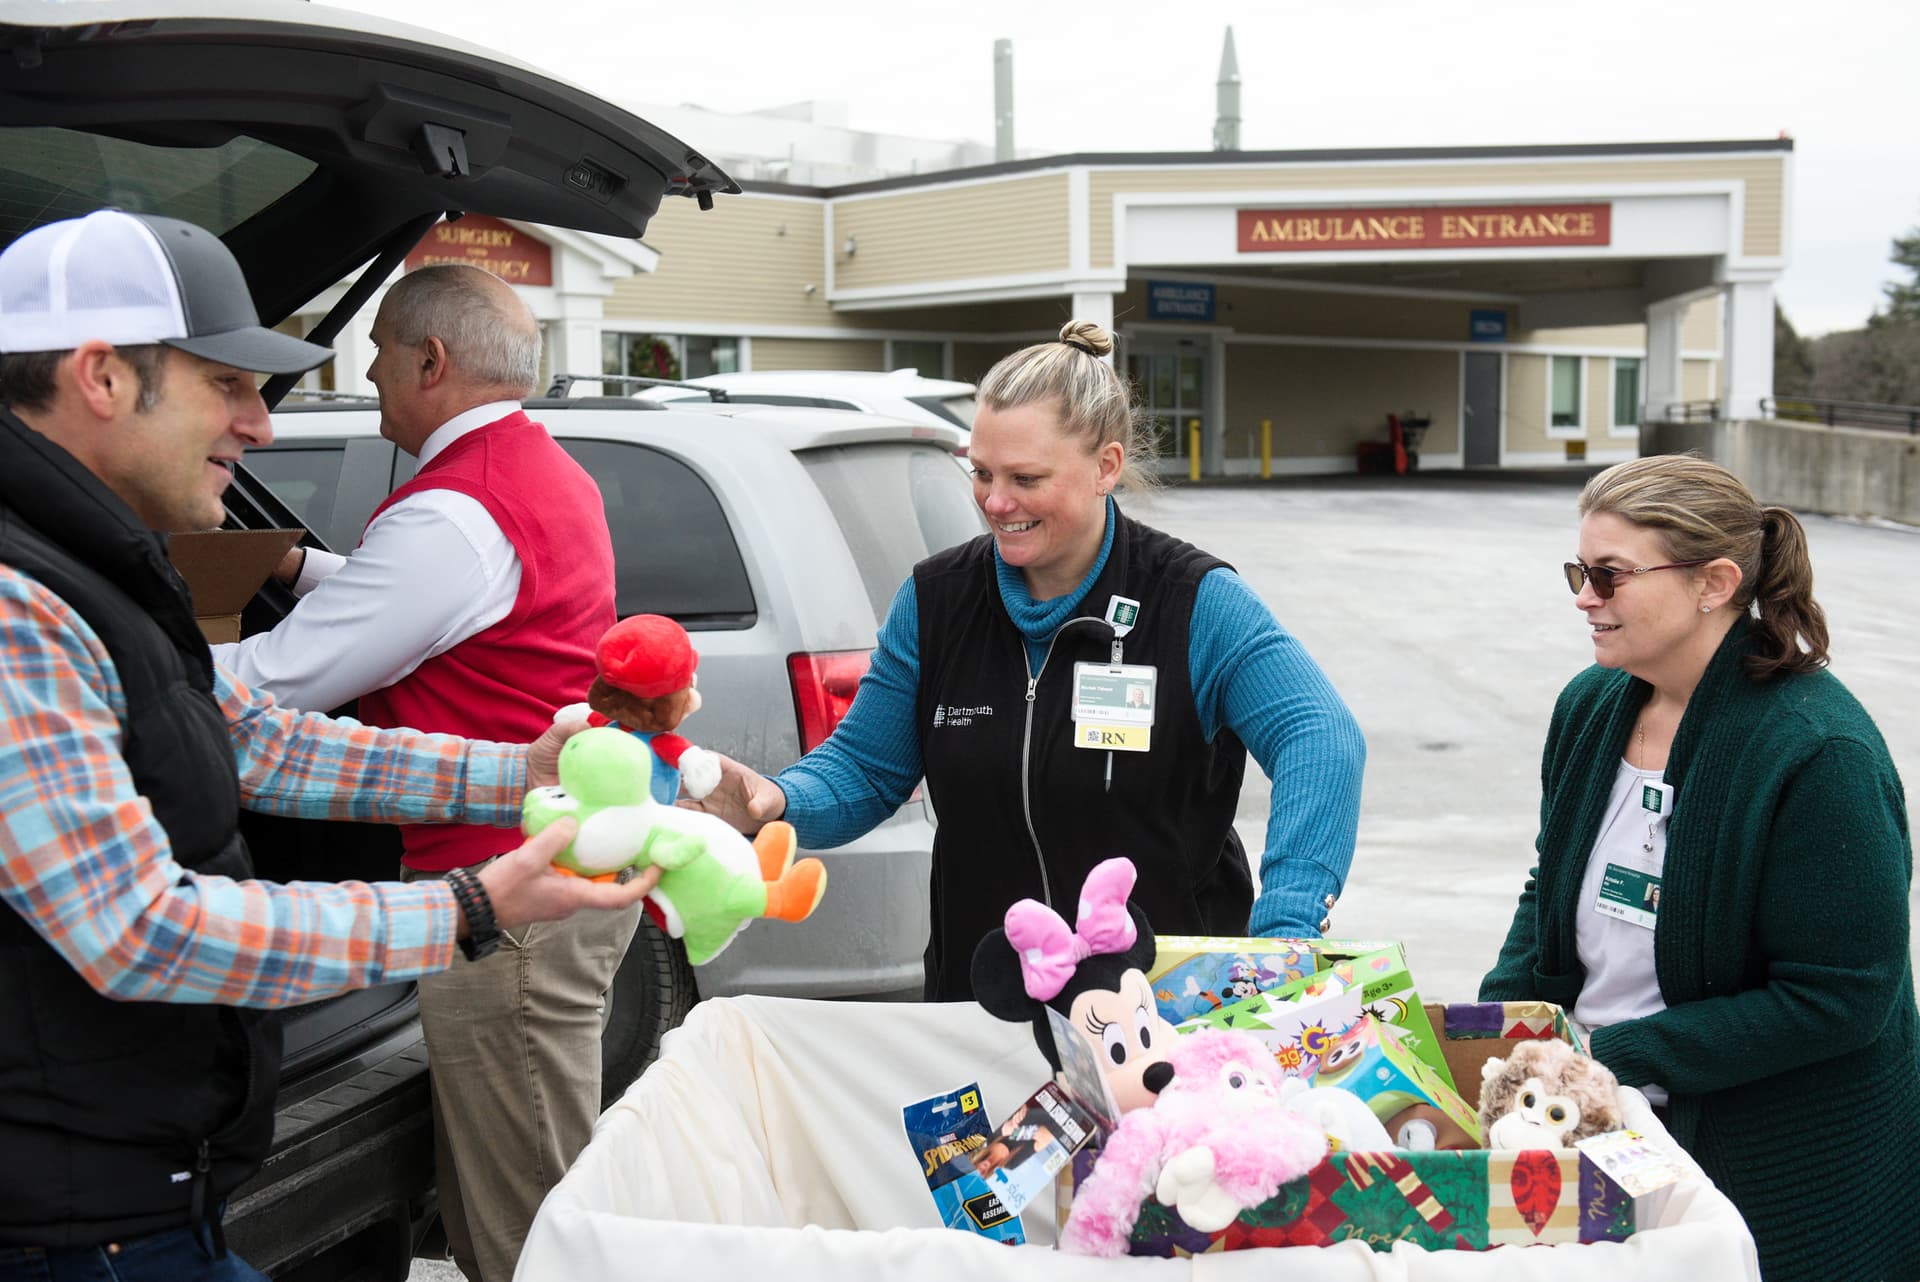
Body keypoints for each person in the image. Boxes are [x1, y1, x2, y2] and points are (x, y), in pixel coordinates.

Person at [0, 209, 654, 1281]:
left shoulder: (100, 563)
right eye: (228, 383)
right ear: (102, 377)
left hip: (150, 1178)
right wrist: (465, 910)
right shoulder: (21, 599)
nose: (262, 424)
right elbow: (138, 929)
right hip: (77, 1217)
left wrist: (521, 769)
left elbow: (259, 737)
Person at [692, 320, 1366, 1000]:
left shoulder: (1192, 602)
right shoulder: (937, 602)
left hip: (1164, 1010)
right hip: (986, 1001)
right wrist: (775, 799)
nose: (994, 501)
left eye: (1025, 477)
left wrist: (1287, 933)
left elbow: (1321, 739)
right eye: (981, 473)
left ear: (1106, 466)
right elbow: (866, 768)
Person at [217, 264, 630, 1282]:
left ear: (430, 361)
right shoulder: (536, 474)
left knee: (526, 1225)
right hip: (554, 874)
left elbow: (274, 684)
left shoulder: (451, 512)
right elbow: (437, 600)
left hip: (510, 898)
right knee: (528, 1182)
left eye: (377, 352)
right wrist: (297, 569)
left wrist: (108, 651)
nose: (369, 371)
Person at [1479, 454, 1917, 1282]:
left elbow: (1842, 996)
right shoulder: (1593, 704)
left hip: (1773, 1163)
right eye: (1579, 570)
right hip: (1595, 1113)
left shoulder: (1819, 753)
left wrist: (1619, 1057)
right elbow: (1550, 883)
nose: (1583, 597)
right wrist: (1501, 1025)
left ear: (1713, 583)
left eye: (1609, 576)